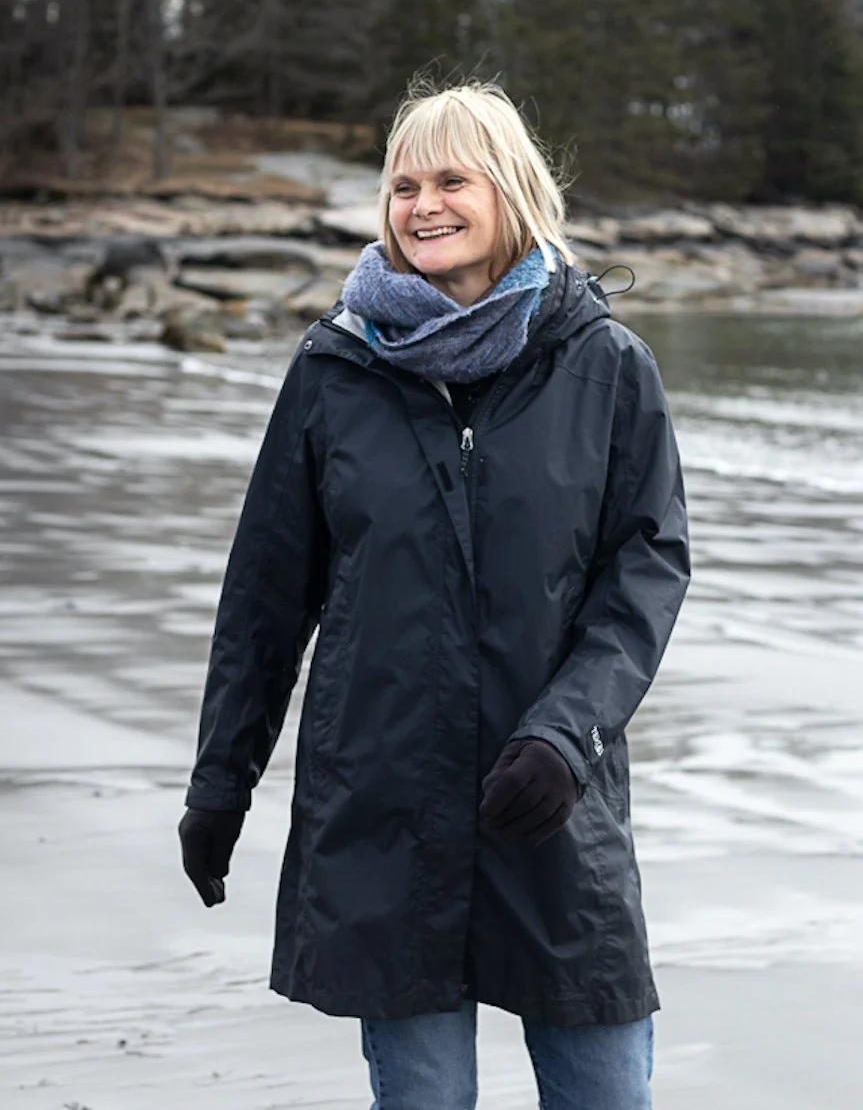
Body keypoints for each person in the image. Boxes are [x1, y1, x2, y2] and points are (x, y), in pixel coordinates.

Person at [178, 81, 690, 1110]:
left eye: (451, 178)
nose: (423, 204)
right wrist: (219, 782)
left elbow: (643, 569)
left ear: (506, 189)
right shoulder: (333, 370)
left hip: (548, 801)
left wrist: (565, 732)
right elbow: (266, 598)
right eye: (403, 183)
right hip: (383, 805)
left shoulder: (604, 366)